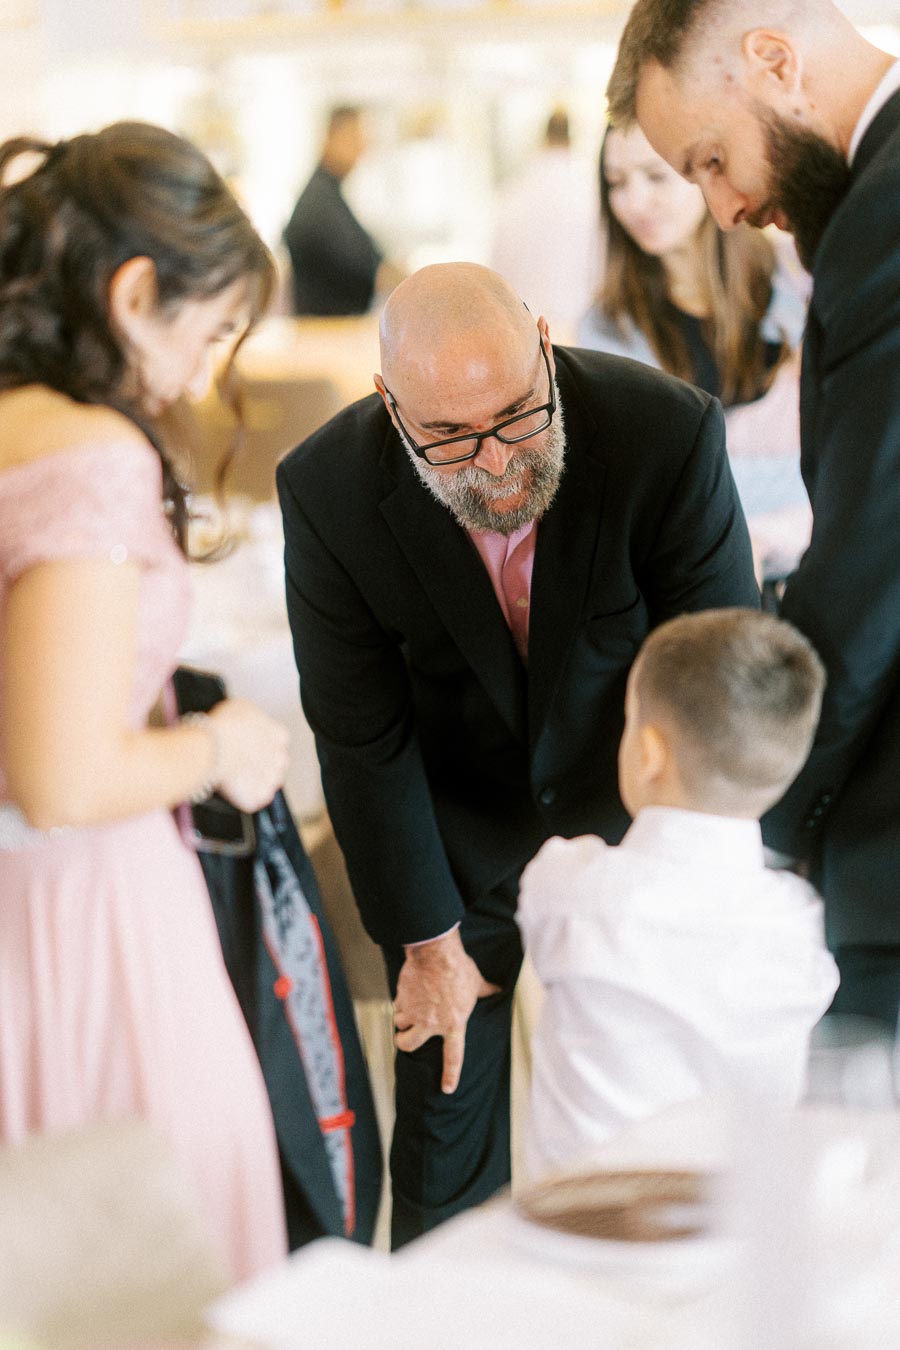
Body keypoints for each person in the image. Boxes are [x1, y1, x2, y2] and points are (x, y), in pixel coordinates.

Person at [276, 260, 760, 1246]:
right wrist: (427, 943)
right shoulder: (327, 487)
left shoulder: (661, 432)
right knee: (443, 1138)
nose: (496, 462)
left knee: (666, 1131)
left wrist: (684, 902)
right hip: (453, 837)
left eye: (516, 417)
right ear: (389, 404)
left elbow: (718, 678)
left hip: (641, 818)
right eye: (450, 437)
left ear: (544, 345)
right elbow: (362, 734)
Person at [0, 121, 290, 1283]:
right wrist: (217, 743)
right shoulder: (92, 456)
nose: (204, 371)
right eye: (212, 328)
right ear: (133, 295)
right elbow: (62, 780)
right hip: (82, 914)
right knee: (144, 1262)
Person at [607, 0, 900, 1029]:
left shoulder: (886, 215)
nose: (725, 208)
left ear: (775, 61)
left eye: (710, 159)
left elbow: (874, 564)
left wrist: (756, 809)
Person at [517, 608, 839, 1180]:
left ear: (649, 754)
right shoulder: (797, 920)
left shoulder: (570, 884)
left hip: (588, 1224)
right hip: (735, 1220)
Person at [579, 121, 810, 581]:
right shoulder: (608, 329)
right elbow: (639, 495)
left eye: (655, 176)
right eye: (616, 183)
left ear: (707, 170)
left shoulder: (800, 281)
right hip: (697, 584)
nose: (633, 201)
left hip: (825, 571)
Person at [490, 107, 600, 336]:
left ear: (544, 135)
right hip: (580, 325)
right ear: (572, 136)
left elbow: (498, 266)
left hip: (525, 325)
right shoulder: (589, 189)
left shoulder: (515, 190)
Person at [282, 105, 401, 317]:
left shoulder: (329, 195)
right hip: (325, 331)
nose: (361, 149)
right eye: (353, 139)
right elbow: (371, 269)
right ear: (331, 138)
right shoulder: (320, 202)